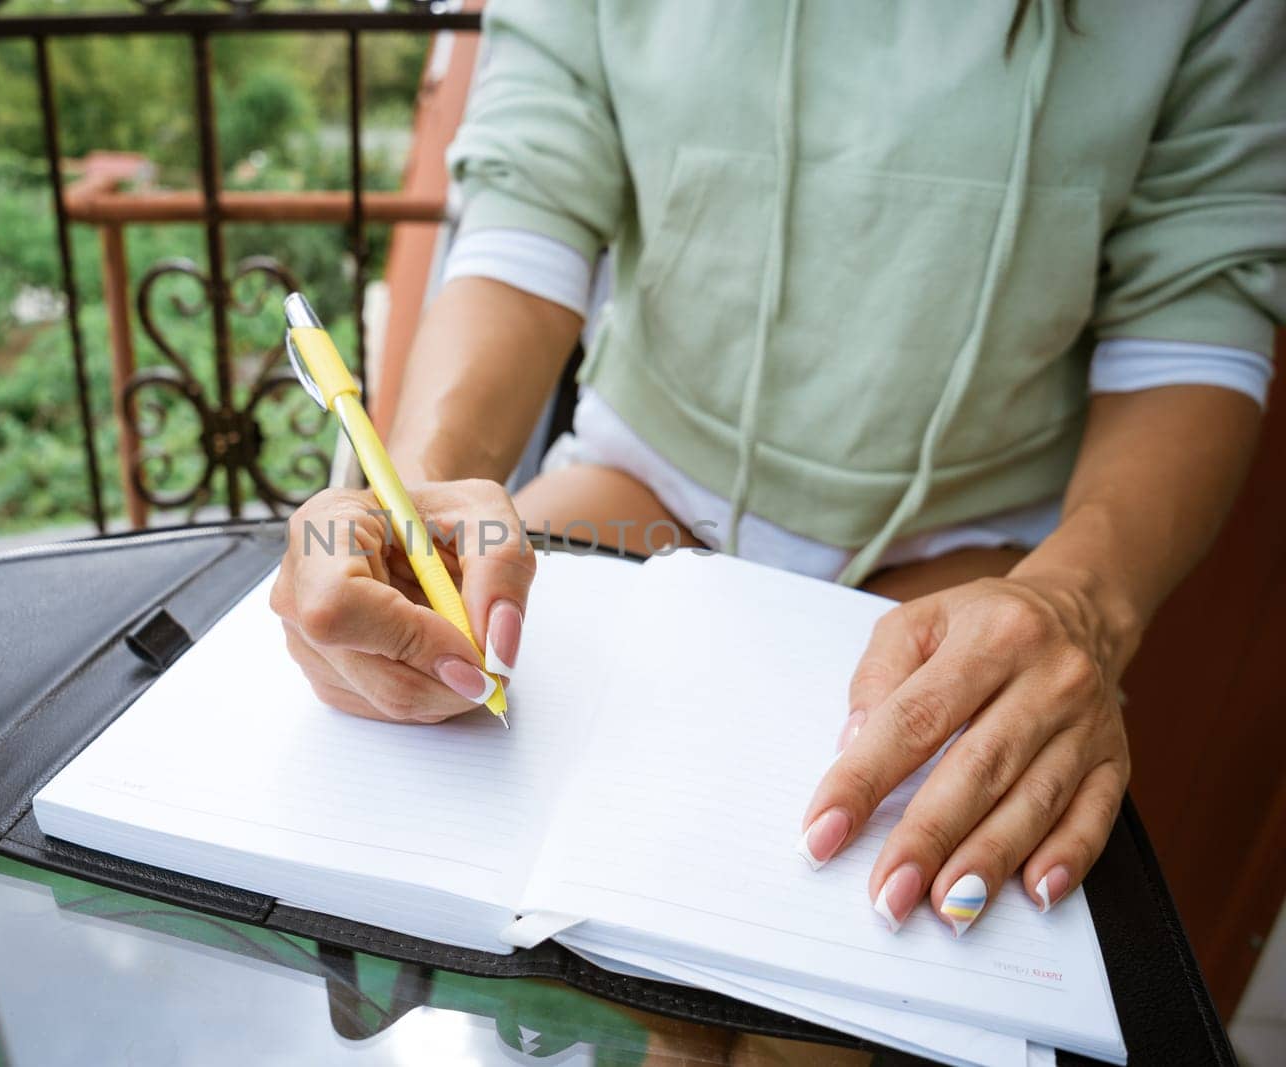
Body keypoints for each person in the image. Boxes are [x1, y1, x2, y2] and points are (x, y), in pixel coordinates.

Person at [270, 0, 1285, 937]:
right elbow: (526, 209)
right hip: (650, 477)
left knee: (856, 963)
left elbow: (1193, 314)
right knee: (497, 855)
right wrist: (425, 491)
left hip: (980, 552)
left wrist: (1081, 605)